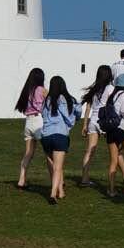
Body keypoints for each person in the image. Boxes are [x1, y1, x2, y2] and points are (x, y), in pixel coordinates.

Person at [99, 73, 124, 197]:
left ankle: (111, 190)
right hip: (122, 128)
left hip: (111, 129)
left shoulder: (113, 95)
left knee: (113, 160)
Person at [39, 75, 78, 203]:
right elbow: (68, 116)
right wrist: (73, 121)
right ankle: (53, 194)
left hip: (45, 136)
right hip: (60, 135)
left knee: (52, 165)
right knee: (58, 167)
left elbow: (42, 114)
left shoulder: (46, 100)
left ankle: (60, 191)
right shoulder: (62, 99)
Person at [78, 64, 114, 186]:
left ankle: (84, 178)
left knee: (89, 151)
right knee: (115, 152)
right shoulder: (110, 88)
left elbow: (88, 107)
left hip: (93, 120)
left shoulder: (94, 89)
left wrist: (85, 125)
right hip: (105, 120)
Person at [14, 67, 46, 190]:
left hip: (28, 122)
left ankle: (21, 180)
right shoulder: (42, 90)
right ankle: (58, 180)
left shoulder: (28, 90)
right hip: (39, 121)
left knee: (28, 153)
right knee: (48, 153)